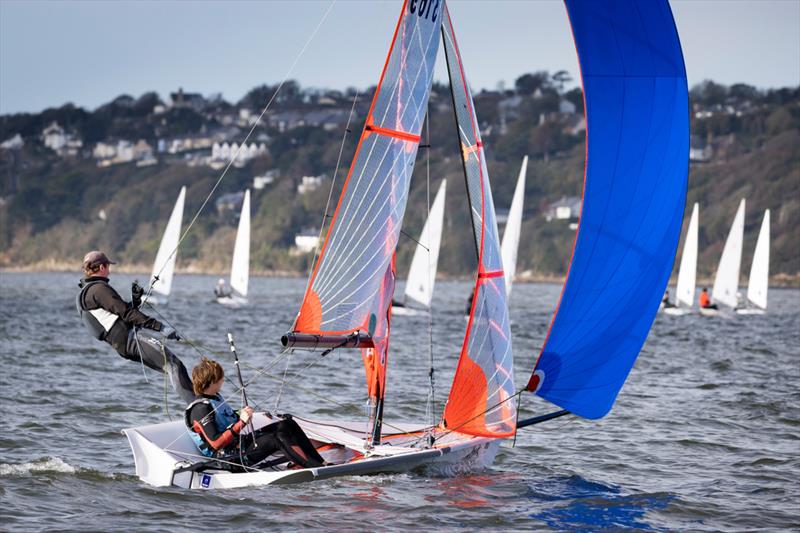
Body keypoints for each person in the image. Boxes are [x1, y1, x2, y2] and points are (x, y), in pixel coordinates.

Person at [76, 250, 195, 403]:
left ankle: (200, 404)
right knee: (174, 365)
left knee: (171, 368)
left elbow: (119, 313)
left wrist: (136, 302)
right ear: (102, 267)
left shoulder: (88, 291)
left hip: (123, 344)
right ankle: (199, 412)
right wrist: (160, 327)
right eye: (108, 266)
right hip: (130, 340)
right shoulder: (99, 290)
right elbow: (126, 313)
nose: (109, 270)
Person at [185, 357, 326, 470]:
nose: (223, 380)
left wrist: (241, 413)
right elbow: (216, 443)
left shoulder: (215, 398)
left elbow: (226, 417)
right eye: (221, 377)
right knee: (276, 438)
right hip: (229, 460)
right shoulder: (200, 410)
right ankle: (313, 468)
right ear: (212, 381)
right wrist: (242, 423)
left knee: (285, 425)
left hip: (240, 445)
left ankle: (321, 463)